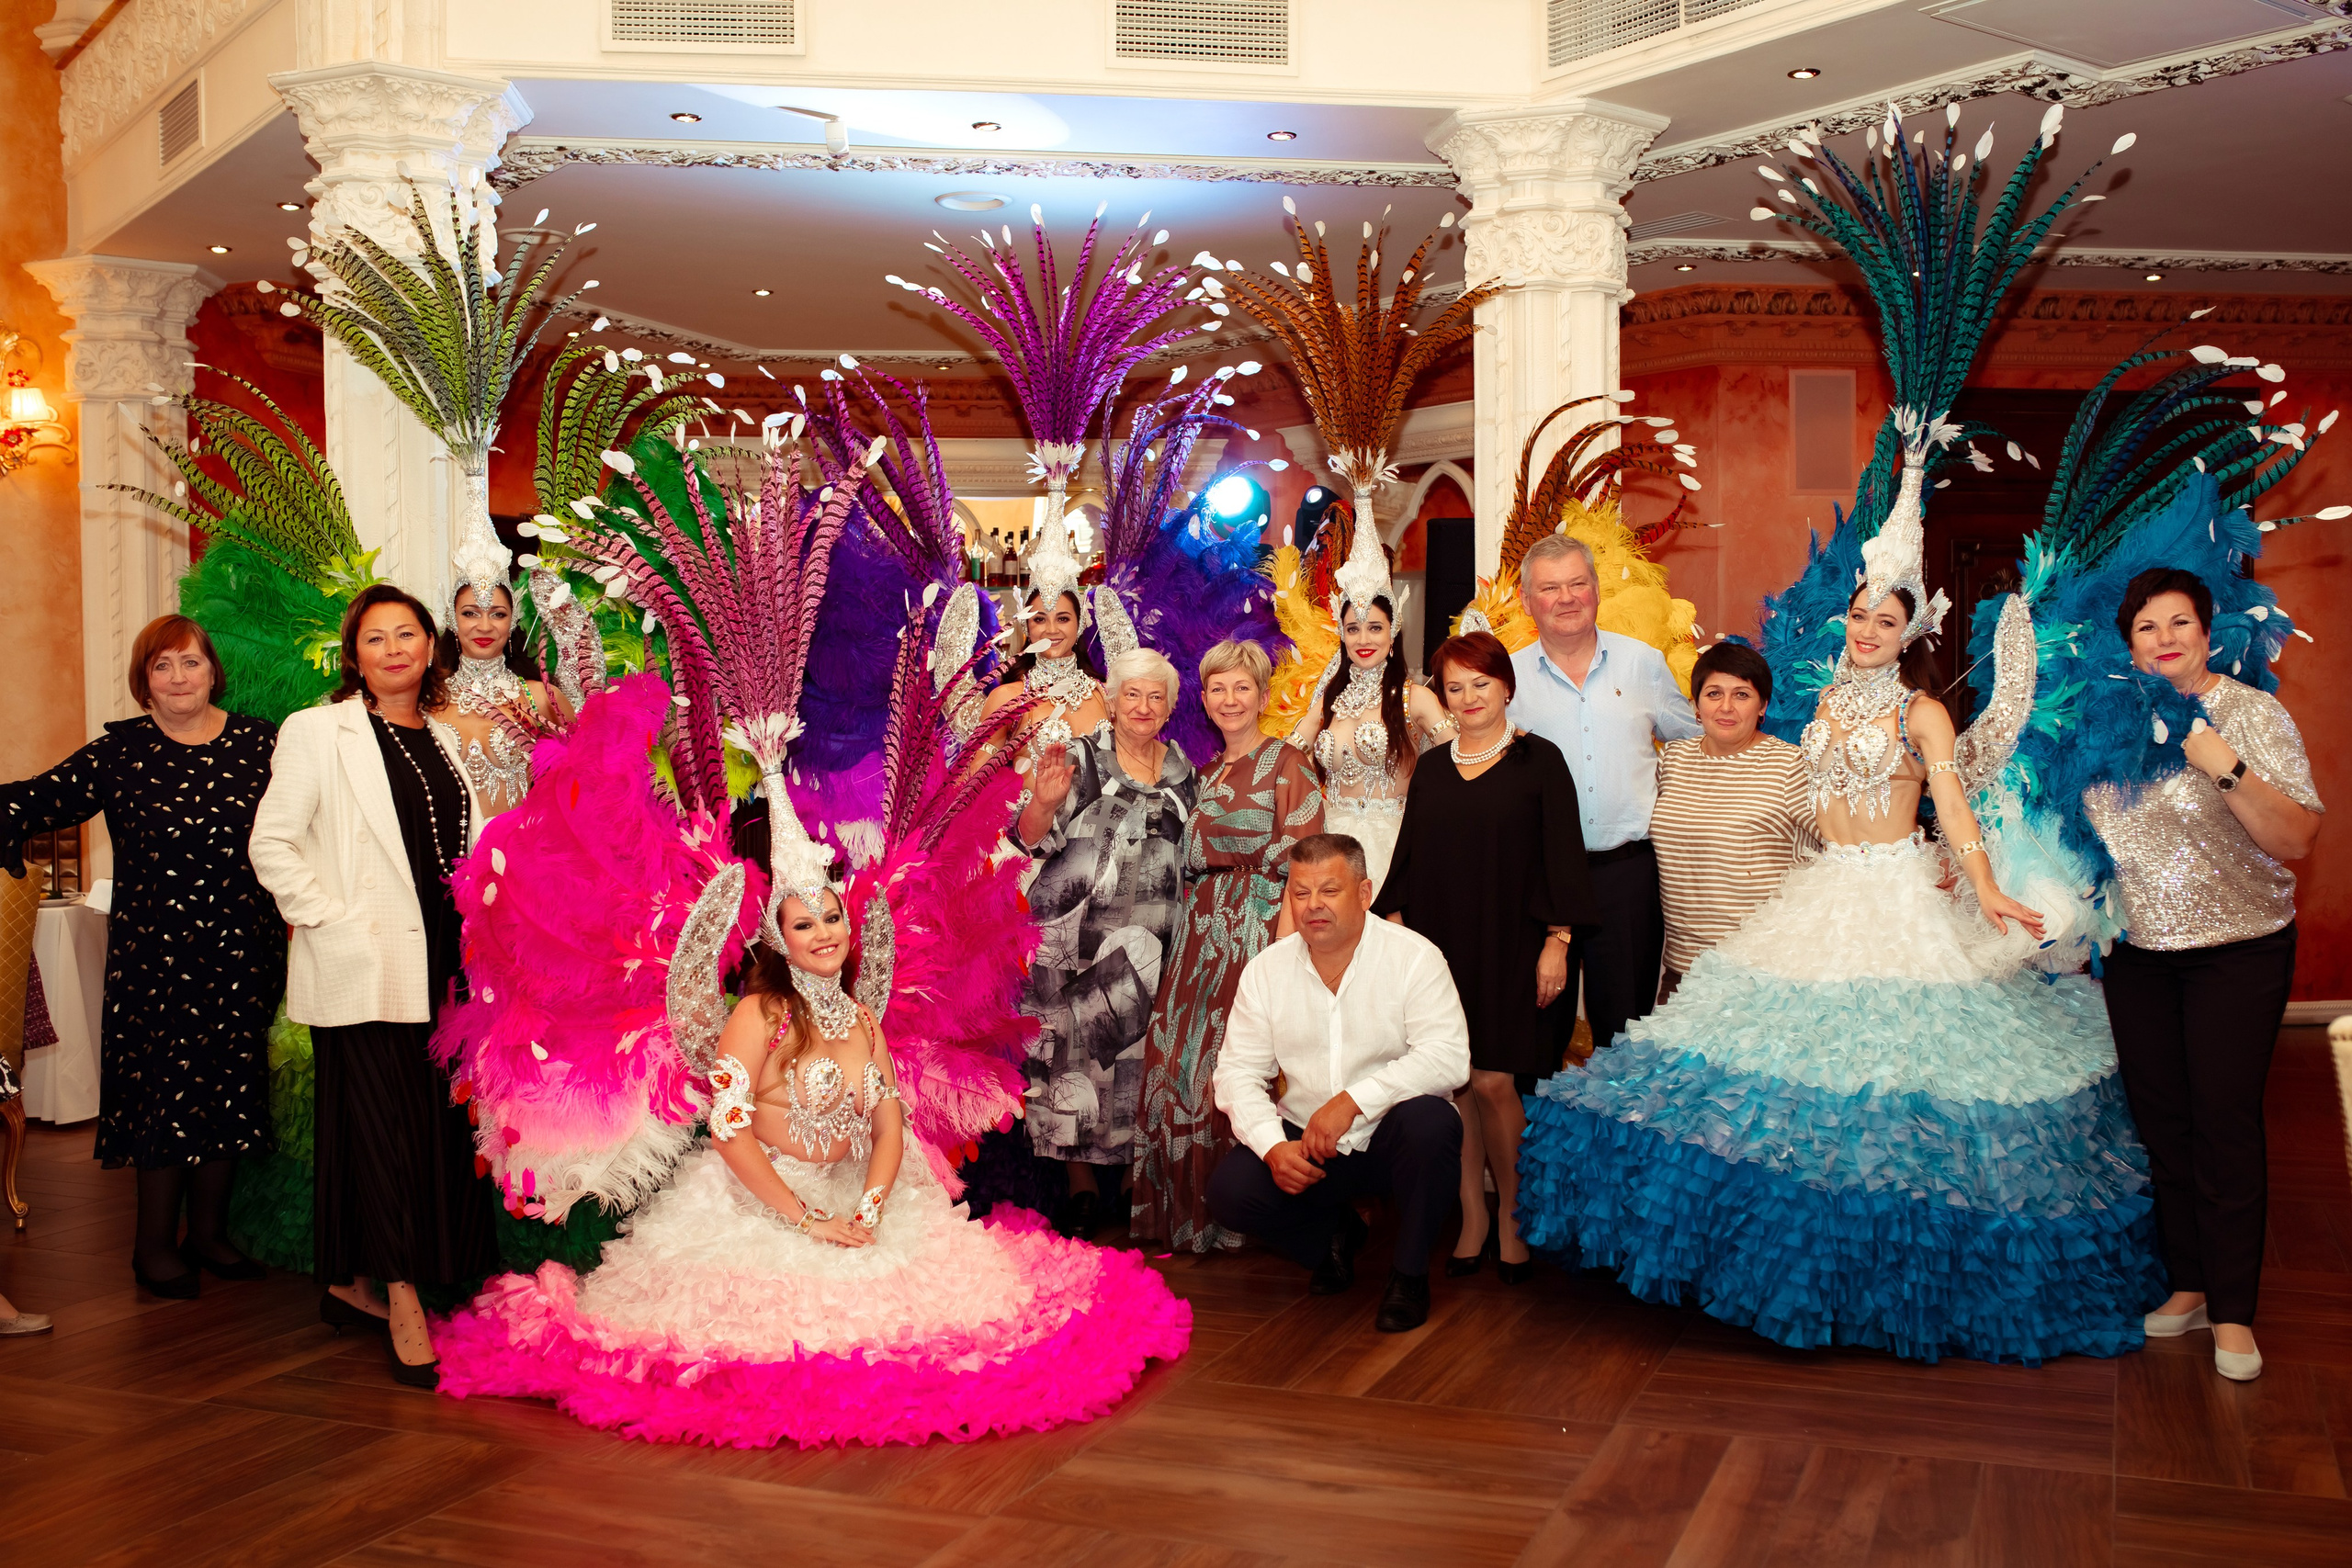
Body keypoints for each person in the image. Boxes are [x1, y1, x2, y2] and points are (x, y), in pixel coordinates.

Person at [1518, 570, 2165, 1363]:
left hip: (1892, 895)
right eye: (1859, 615)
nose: (1866, 630)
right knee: (1787, 1074)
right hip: (1819, 891)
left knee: (1890, 1078)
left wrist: (1984, 883)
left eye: (1885, 620)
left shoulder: (1921, 710)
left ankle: (1888, 1272)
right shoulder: (1823, 704)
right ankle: (1784, 1260)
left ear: (1910, 633)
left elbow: (1950, 801)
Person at [431, 829, 1191, 1447]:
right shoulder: (756, 1016)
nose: (824, 933)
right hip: (759, 1198)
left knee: (953, 1321)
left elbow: (889, 1118)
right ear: (780, 940)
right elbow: (730, 1133)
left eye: (831, 918)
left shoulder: (861, 1017)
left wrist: (870, 1201)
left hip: (854, 1194)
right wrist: (805, 1217)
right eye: (805, 924)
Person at [249, 584, 497, 1388]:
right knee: (382, 1127)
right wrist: (330, 918)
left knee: (431, 1126)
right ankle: (399, 1295)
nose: (393, 649)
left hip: (448, 962)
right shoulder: (319, 731)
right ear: (353, 655)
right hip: (365, 960)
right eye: (375, 638)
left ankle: (361, 1276)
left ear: (431, 646)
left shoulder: (448, 740)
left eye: (408, 634)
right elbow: (273, 843)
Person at [0, 615, 285, 1299]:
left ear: (213, 669)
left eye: (190, 662)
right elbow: (32, 801)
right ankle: (152, 1247)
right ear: (143, 681)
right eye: (162, 666)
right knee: (163, 1098)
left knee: (228, 1088)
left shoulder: (263, 744)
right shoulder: (119, 752)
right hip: (152, 962)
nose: (179, 676)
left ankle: (210, 1236)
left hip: (242, 951)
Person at [2085, 569, 2323, 1383]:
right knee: (2164, 1125)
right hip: (2138, 954)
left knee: (2224, 1125)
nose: (2165, 638)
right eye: (2147, 627)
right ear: (2129, 644)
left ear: (2208, 629)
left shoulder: (2251, 712)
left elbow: (2295, 838)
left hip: (2240, 948)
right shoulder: (2106, 723)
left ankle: (2234, 1311)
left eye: (2179, 621)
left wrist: (2223, 765)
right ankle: (2187, 1284)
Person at [1374, 631, 1595, 1281]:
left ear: (1506, 686)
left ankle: (1513, 1217)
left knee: (1497, 1081)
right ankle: (1471, 1215)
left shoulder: (1541, 763)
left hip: (1517, 947)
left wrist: (1558, 942)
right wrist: (1398, 941)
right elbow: (1407, 863)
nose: (1468, 697)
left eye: (1480, 683)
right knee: (1456, 1085)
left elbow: (1564, 860)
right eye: (1454, 686)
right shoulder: (1435, 768)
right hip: (1441, 950)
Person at [1209, 834, 1469, 1332]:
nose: (1313, 907)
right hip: (1309, 1142)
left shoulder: (1414, 957)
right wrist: (1270, 1148)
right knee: (1230, 1191)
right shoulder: (1266, 972)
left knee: (1433, 1123)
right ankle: (1334, 1236)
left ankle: (1409, 1275)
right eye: (1301, 893)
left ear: (1365, 893)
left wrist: (1354, 1100)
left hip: (1389, 1140)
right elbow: (1238, 1072)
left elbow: (1449, 1058)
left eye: (1329, 890)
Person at [1133, 639, 1324, 1252]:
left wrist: (1283, 956)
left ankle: (1251, 1221)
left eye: (1243, 686)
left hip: (1259, 931)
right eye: (1218, 687)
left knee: (1239, 1069)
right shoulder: (1202, 774)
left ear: (1263, 697)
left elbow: (1307, 866)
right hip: (1198, 934)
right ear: (1206, 699)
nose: (1230, 698)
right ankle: (1190, 1219)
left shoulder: (1288, 763)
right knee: (1179, 1068)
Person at [1011, 647, 1195, 1237]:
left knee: (1134, 1059)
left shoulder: (1184, 772)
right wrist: (1041, 801)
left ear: (1169, 706)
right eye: (1131, 694)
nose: (1142, 706)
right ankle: (1081, 1188)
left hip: (1152, 937)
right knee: (1071, 1052)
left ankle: (1128, 1184)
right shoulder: (1081, 759)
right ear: (1110, 701)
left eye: (1155, 696)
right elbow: (1030, 838)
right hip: (1075, 936)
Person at [1509, 533, 1702, 1051]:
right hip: (1542, 879)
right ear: (1528, 602)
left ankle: (1625, 1128)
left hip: (1627, 873)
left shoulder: (1643, 664)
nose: (1566, 598)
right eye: (1550, 588)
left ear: (1596, 589)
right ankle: (1544, 1132)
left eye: (1577, 583)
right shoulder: (1508, 679)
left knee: (1628, 1030)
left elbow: (1695, 745)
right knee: (1538, 1030)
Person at [1284, 519, 1455, 896]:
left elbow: (1459, 765)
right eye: (1353, 628)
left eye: (1375, 628)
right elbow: (1286, 757)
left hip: (1393, 850)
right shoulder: (1329, 699)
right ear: (1341, 635)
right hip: (1328, 849)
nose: (1363, 639)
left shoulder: (1416, 698)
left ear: (1393, 632)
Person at [1650, 640, 1815, 1000]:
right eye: (1713, 694)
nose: (1726, 707)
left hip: (1761, 970)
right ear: (1695, 705)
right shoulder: (1673, 760)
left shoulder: (1790, 765)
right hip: (1682, 968)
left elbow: (1842, 841)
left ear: (1763, 707)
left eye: (1742, 694)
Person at [435, 581, 571, 818]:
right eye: (470, 613)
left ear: (512, 622)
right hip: (445, 850)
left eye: (498, 614)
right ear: (452, 620)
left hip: (518, 849)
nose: (485, 626)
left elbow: (587, 770)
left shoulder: (539, 697)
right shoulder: (429, 700)